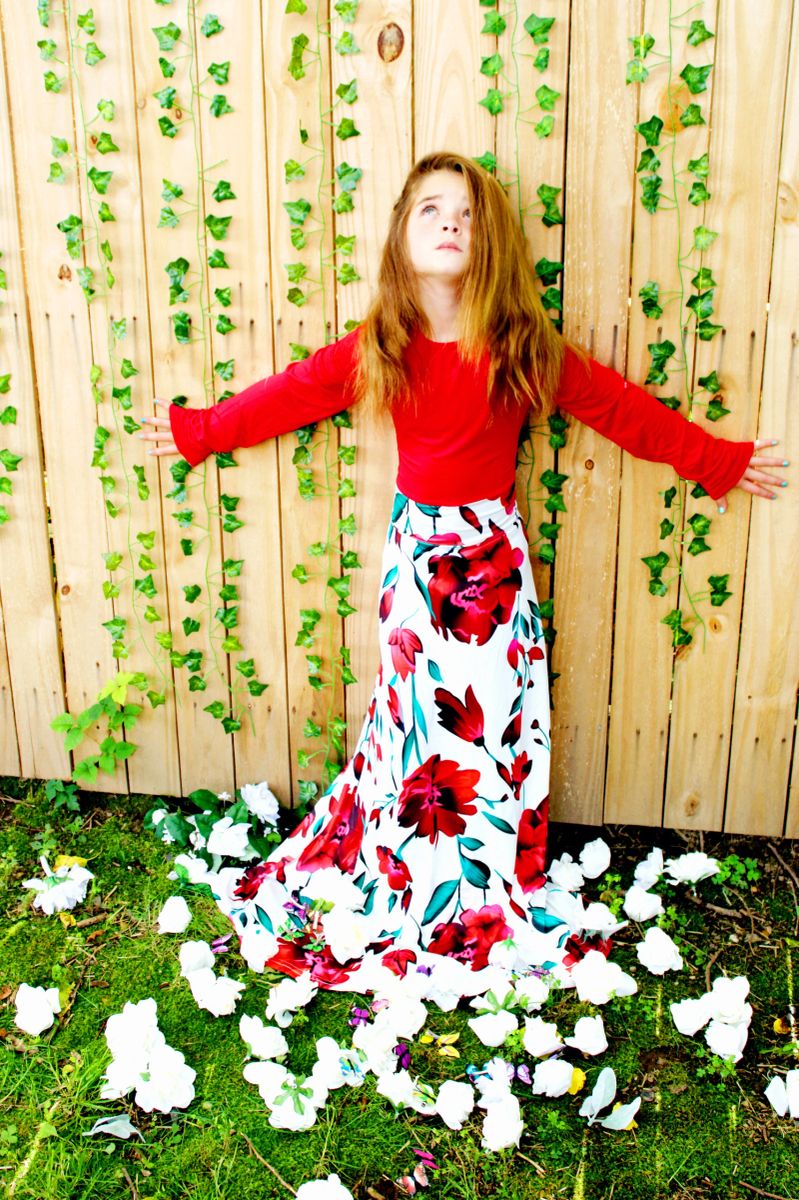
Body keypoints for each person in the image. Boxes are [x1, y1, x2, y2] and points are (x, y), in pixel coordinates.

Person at [141, 151, 788, 994]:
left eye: (469, 213)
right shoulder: (381, 347)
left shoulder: (521, 346)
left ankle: (479, 880)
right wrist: (203, 432)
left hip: (492, 564)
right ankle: (413, 867)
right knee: (415, 724)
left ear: (491, 245)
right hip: (416, 564)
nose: (451, 222)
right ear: (401, 239)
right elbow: (292, 392)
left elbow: (621, 409)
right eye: (431, 210)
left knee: (492, 728)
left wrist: (715, 460)